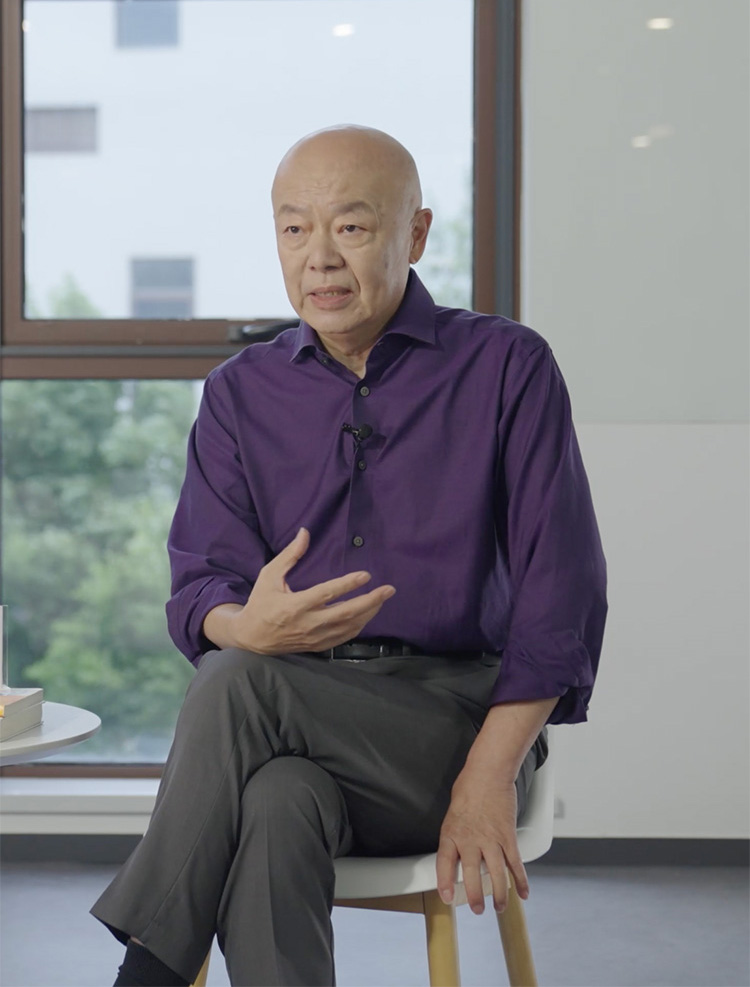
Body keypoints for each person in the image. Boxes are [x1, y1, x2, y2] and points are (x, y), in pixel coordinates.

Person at [92, 125, 607, 987]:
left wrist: (488, 775)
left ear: (416, 234)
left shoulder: (507, 367)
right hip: (294, 724)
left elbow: (564, 600)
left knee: (237, 679)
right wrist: (245, 624)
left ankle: (145, 973)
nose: (320, 257)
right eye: (295, 228)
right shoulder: (239, 393)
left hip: (453, 729)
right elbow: (201, 587)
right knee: (275, 799)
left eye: (352, 227)